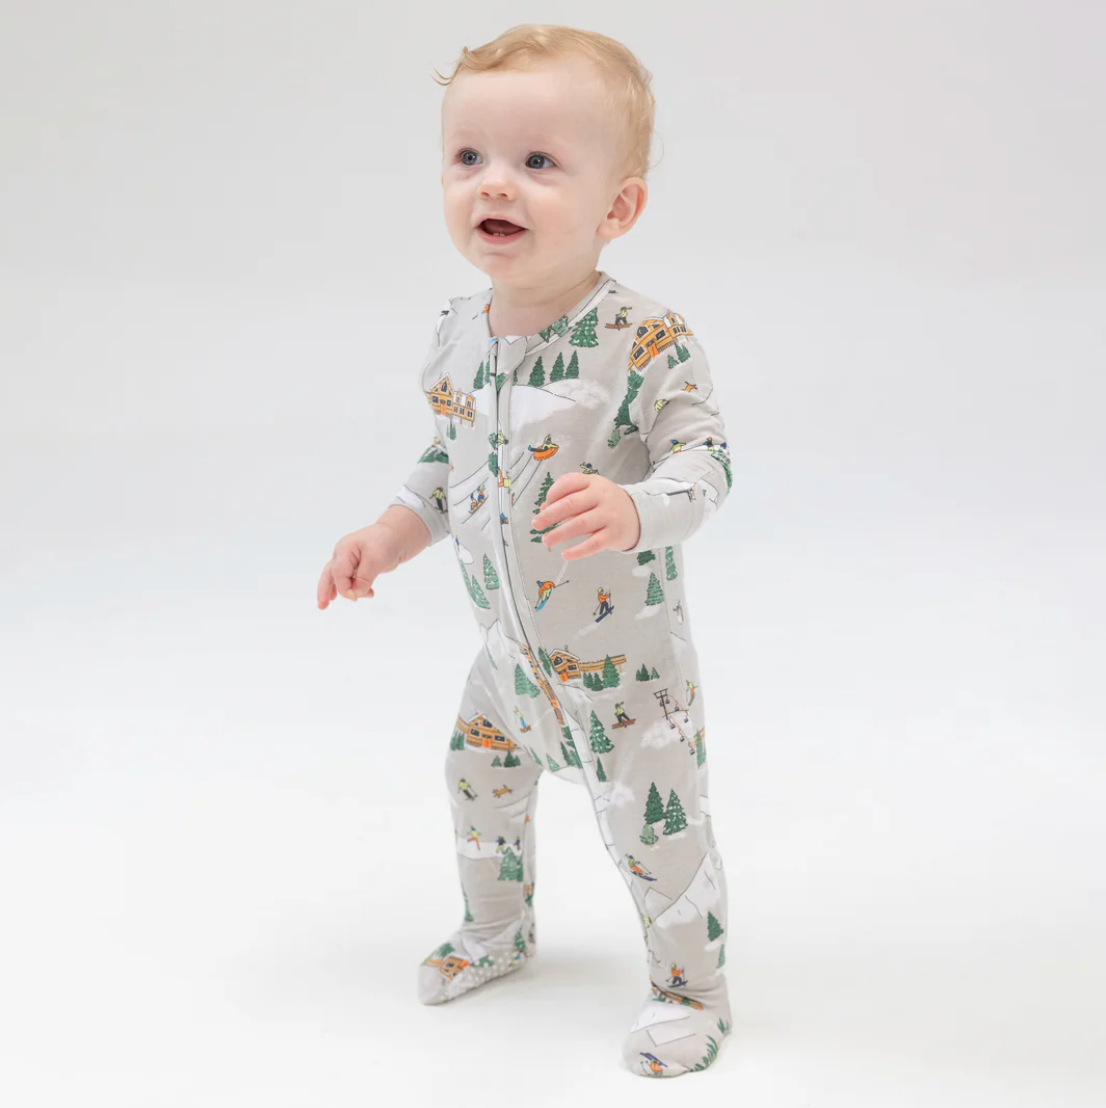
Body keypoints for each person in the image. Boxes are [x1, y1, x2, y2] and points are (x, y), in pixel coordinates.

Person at [316, 24, 733, 1078]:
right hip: (508, 663)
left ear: (617, 208)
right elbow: (446, 463)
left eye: (538, 161)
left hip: (624, 673)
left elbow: (707, 462)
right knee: (474, 777)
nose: (493, 182)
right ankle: (496, 928)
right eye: (469, 156)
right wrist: (386, 534)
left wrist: (636, 508)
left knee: (657, 831)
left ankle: (691, 989)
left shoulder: (644, 339)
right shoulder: (459, 332)